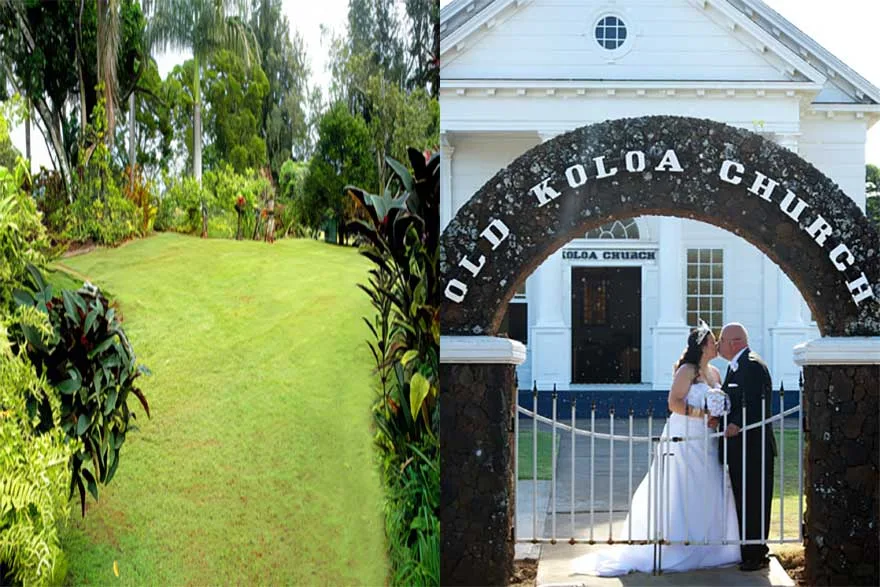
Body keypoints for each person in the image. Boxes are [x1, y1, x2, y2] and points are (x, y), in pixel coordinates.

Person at [572, 321, 740, 576]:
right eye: (712, 340)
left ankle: (709, 545)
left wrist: (716, 416)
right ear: (703, 345)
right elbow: (673, 403)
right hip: (684, 435)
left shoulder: (715, 373)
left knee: (708, 484)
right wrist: (701, 413)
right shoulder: (688, 370)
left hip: (708, 438)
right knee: (680, 486)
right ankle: (676, 543)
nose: (716, 344)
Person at [716, 322, 776, 571]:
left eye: (721, 340)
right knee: (744, 499)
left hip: (753, 448)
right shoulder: (737, 366)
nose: (718, 345)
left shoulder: (751, 365)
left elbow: (753, 403)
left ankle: (756, 553)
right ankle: (748, 550)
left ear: (734, 342)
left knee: (754, 500)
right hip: (741, 448)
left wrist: (737, 424)